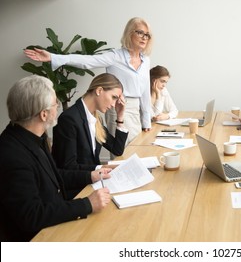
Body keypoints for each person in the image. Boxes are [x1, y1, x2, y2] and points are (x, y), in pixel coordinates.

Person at [0, 75, 111, 242]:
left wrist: (90, 175)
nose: (58, 107)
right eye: (54, 104)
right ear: (44, 114)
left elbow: (53, 177)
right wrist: (87, 204)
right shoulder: (13, 155)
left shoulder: (33, 136)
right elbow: (32, 216)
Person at [24, 17, 153, 146]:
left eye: (147, 35)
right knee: (122, 151)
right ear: (130, 33)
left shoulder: (145, 60)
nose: (144, 37)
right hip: (117, 107)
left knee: (139, 148)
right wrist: (53, 57)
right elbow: (87, 61)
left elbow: (146, 90)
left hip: (136, 109)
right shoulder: (115, 56)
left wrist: (146, 120)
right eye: (140, 32)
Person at [52, 73, 128, 174]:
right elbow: (68, 166)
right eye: (113, 97)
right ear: (99, 90)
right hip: (78, 187)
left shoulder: (96, 119)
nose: (114, 105)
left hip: (94, 181)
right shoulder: (69, 119)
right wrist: (101, 168)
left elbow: (117, 149)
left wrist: (120, 117)